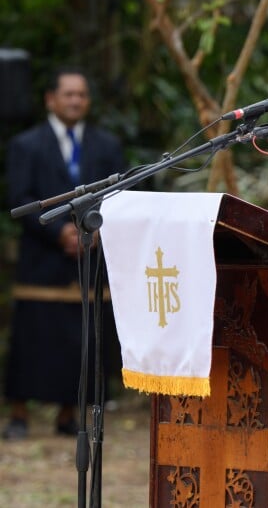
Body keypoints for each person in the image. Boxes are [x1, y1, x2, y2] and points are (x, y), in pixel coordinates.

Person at [2, 65, 125, 440]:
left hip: (91, 257)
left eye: (81, 95)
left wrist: (97, 229)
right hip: (43, 260)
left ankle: (68, 415)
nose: (75, 100)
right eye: (68, 94)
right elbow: (20, 198)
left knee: (82, 338)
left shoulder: (107, 146)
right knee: (33, 338)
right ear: (50, 99)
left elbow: (119, 195)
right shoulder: (26, 145)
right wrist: (60, 233)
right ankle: (19, 414)